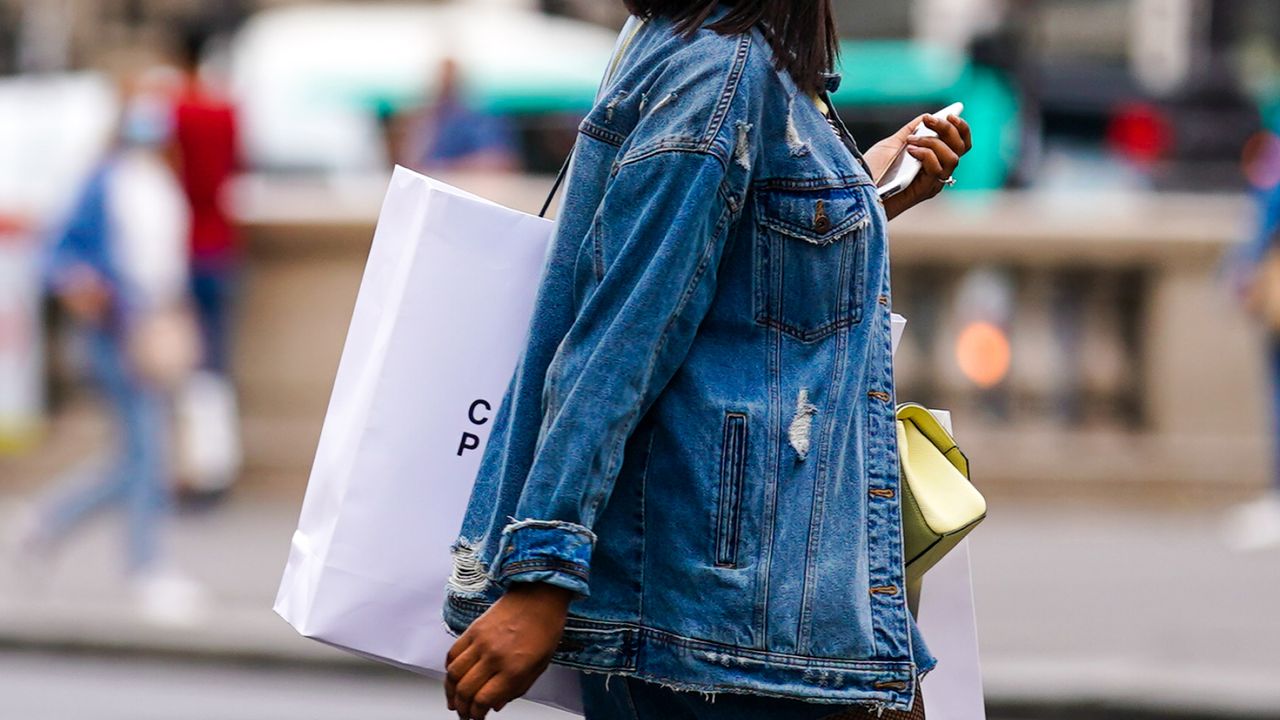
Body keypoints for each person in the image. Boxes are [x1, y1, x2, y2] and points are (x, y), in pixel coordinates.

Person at [442, 3, 972, 719]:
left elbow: (738, 281)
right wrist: (542, 576)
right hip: (721, 614)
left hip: (759, 596)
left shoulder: (741, 60)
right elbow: (622, 335)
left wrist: (860, 195)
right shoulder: (716, 69)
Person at [12, 80, 207, 625]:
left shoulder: (156, 179)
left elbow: (164, 260)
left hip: (150, 324)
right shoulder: (104, 180)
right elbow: (57, 252)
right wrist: (86, 284)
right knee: (147, 453)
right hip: (117, 330)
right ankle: (146, 569)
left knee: (137, 457)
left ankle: (46, 522)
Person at [398, 58, 521, 174]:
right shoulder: (431, 119)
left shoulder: (479, 117)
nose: (443, 86)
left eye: (447, 80)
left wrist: (444, 167)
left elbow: (498, 160)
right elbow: (413, 162)